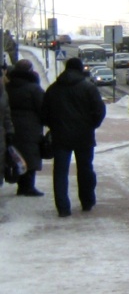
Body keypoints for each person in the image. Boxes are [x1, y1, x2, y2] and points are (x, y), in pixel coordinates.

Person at [42, 57, 106, 217]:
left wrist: (54, 126)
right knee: (85, 169)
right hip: (84, 136)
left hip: (60, 136)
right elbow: (99, 110)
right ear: (80, 69)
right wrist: (92, 125)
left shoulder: (53, 89)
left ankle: (63, 207)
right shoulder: (88, 88)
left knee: (60, 172)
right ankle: (87, 201)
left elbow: (44, 114)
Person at [6, 59, 46, 197]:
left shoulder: (8, 86)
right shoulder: (34, 88)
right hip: (30, 127)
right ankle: (28, 186)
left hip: (11, 125)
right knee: (30, 154)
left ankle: (19, 183)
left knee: (16, 154)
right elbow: (43, 108)